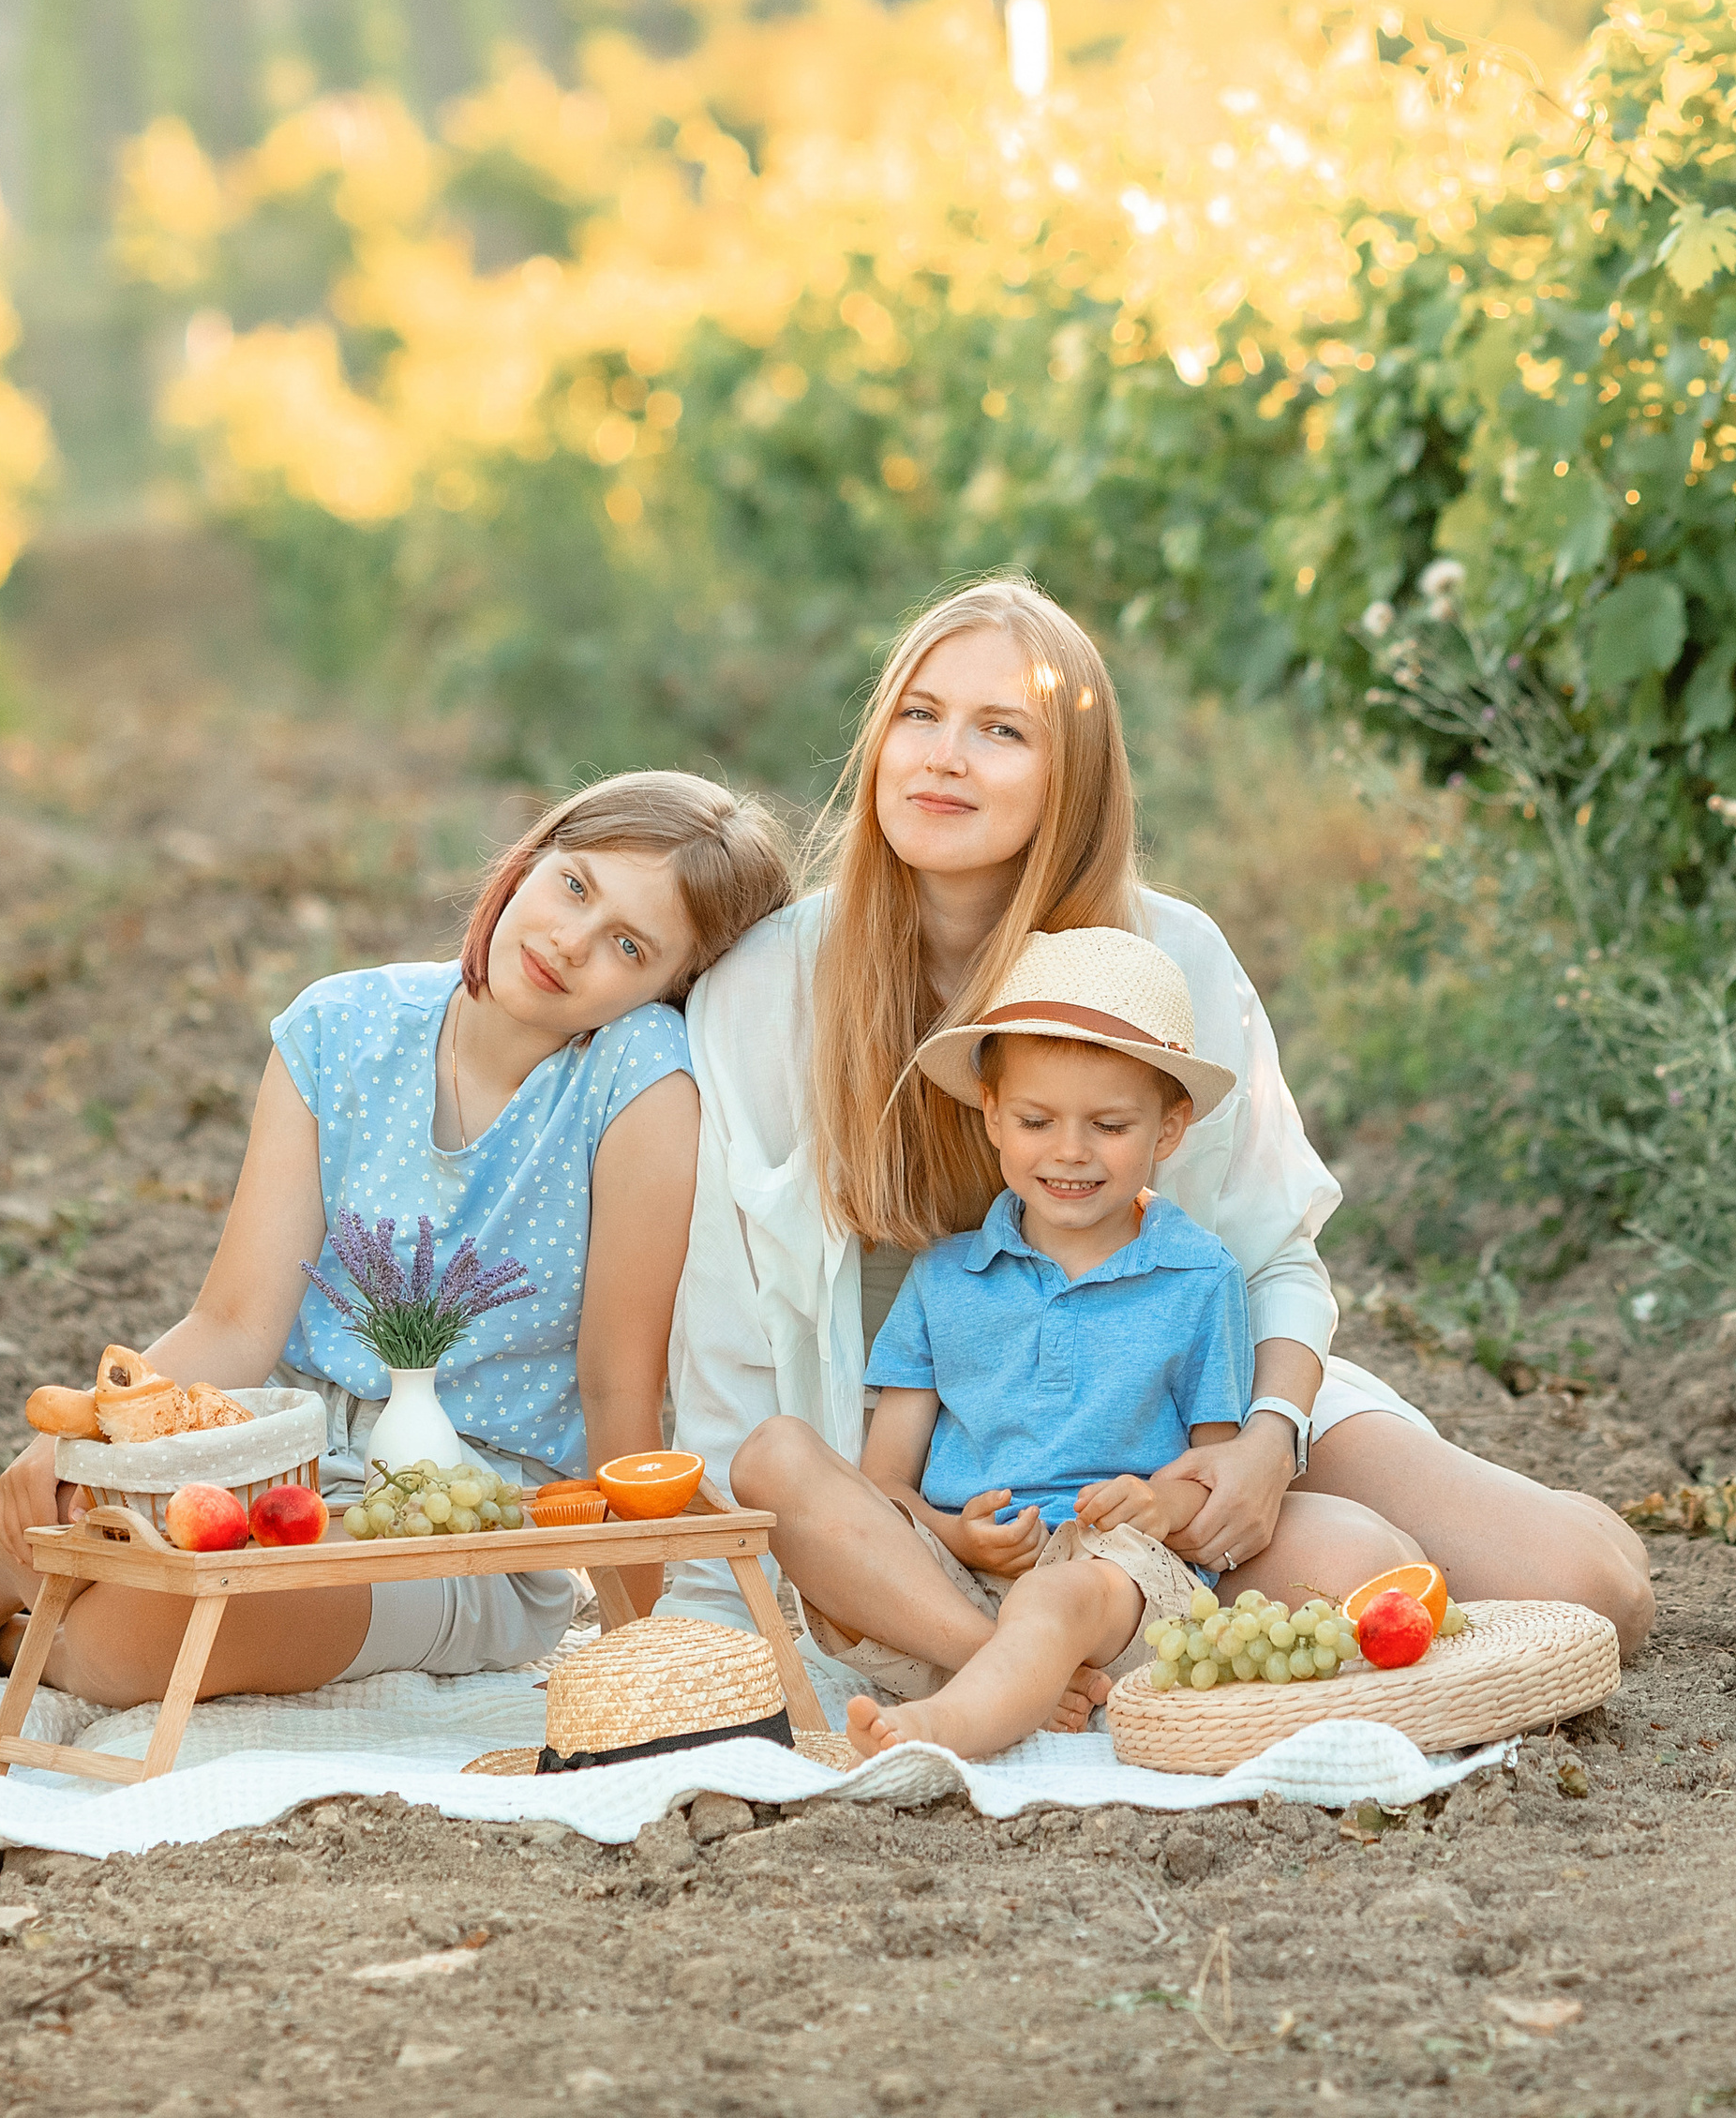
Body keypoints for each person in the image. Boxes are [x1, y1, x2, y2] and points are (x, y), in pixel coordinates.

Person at [685, 578, 1653, 1685]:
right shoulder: (772, 984)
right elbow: (722, 1336)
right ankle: (1052, 1657)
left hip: (1183, 1423)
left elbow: (1274, 1251)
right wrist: (718, 1601)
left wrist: (1263, 1440)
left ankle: (1447, 1512)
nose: (944, 756)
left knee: (1591, 1589)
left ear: (1074, 778)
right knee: (1364, 1583)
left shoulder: (1170, 955)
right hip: (959, 1479)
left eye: (1002, 730)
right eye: (920, 713)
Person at [0, 773, 792, 1702]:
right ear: (528, 861)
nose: (574, 939)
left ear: (665, 990)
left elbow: (618, 1385)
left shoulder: (640, 1084)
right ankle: (8, 1551)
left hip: (463, 1526)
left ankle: (11, 1595)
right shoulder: (340, 1026)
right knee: (118, 1518)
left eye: (629, 944)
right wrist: (69, 1447)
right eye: (575, 886)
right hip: (268, 1455)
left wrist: (640, 1651)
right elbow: (232, 1323)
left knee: (141, 1643)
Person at [757, 927, 1259, 1761]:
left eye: (1108, 1124)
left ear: (1168, 1130)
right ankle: (1004, 1673)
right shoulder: (946, 1276)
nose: (1069, 1151)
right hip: (945, 1594)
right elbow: (885, 1489)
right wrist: (955, 1538)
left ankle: (946, 1724)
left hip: (1109, 1586)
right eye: (1036, 1119)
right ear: (992, 1114)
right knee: (774, 1456)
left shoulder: (1200, 1278)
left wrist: (1160, 1504)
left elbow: (1219, 1470)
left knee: (1058, 1598)